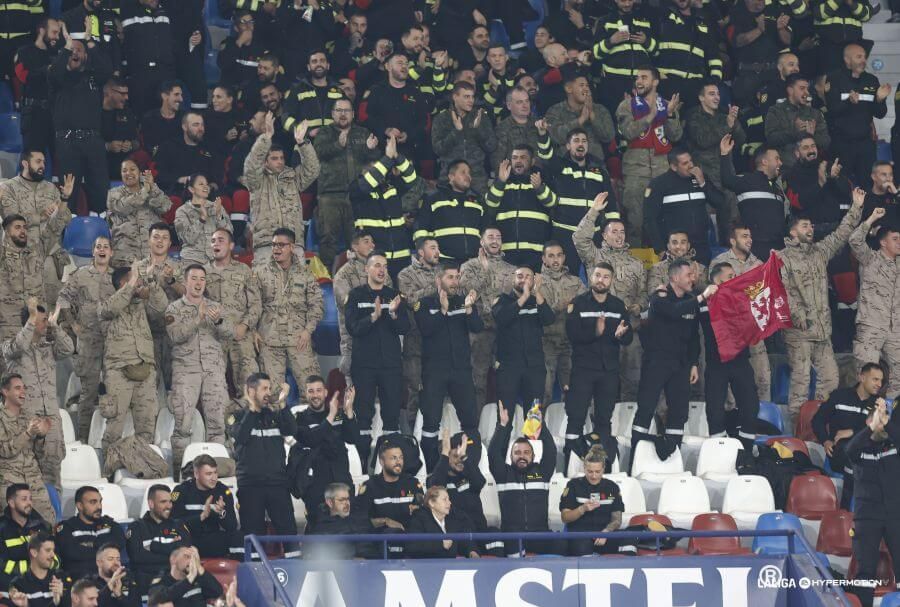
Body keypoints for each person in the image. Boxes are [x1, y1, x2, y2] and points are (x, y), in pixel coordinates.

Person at [777, 189, 863, 422]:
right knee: (801, 382)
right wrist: (799, 316)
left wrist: (856, 207)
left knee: (831, 379)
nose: (810, 229)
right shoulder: (782, 258)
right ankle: (797, 429)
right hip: (799, 333)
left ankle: (817, 424)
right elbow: (782, 292)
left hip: (822, 332)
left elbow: (841, 234)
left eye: (811, 226)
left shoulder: (819, 252)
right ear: (792, 231)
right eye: (805, 225)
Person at [632, 260, 716, 464]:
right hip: (656, 363)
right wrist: (702, 296)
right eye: (688, 275)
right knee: (646, 408)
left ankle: (672, 460)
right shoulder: (659, 297)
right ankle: (635, 459)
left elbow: (694, 336)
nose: (693, 279)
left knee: (679, 412)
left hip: (681, 365)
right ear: (675, 277)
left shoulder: (691, 300)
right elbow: (673, 311)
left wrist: (694, 363)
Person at [573, 195, 646, 400]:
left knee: (632, 380)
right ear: (604, 236)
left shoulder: (636, 264)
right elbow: (579, 238)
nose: (619, 236)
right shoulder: (594, 257)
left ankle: (628, 417)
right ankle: (599, 419)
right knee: (600, 383)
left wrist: (639, 306)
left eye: (622, 232)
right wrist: (593, 212)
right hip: (599, 331)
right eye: (614, 232)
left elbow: (643, 293)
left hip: (628, 329)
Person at [166, 264, 233, 476]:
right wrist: (198, 319)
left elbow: (229, 333)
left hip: (214, 371)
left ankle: (215, 475)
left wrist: (218, 321)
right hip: (186, 371)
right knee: (183, 426)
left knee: (218, 425)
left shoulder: (216, 307)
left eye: (202, 279)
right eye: (194, 278)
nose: (198, 283)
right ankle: (180, 476)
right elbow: (175, 336)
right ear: (185, 282)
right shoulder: (174, 308)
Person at [1, 299, 74, 493]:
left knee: (53, 474)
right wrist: (32, 319)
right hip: (26, 420)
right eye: (42, 320)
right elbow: (19, 345)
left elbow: (69, 348)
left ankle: (54, 511)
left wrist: (55, 326)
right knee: (25, 473)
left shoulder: (48, 347)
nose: (45, 323)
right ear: (30, 321)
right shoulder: (10, 347)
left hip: (50, 418)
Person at [414, 265, 482, 470]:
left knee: (470, 420)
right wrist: (443, 310)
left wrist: (469, 309)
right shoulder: (425, 303)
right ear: (439, 280)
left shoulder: (463, 301)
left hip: (461, 371)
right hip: (434, 371)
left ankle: (469, 466)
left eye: (457, 277)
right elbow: (425, 329)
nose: (455, 281)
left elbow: (478, 327)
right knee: (431, 422)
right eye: (450, 277)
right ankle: (432, 469)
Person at [345, 252, 409, 465]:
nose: (382, 270)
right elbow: (352, 328)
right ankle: (363, 464)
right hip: (364, 365)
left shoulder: (394, 295)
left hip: (391, 365)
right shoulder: (356, 295)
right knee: (363, 415)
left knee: (391, 415)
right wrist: (373, 317)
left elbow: (405, 327)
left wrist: (392, 314)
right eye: (377, 265)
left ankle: (390, 464)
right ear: (367, 269)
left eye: (385, 266)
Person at [226, 373, 299, 558]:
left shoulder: (274, 415)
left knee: (288, 530)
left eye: (269, 388)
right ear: (251, 391)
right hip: (250, 486)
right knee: (253, 534)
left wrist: (283, 404)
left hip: (277, 484)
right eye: (264, 388)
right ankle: (255, 570)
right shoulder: (236, 416)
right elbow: (241, 436)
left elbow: (292, 429)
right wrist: (252, 409)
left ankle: (295, 566)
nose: (268, 392)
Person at [565, 262, 632, 459]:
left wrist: (621, 335)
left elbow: (628, 337)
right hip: (583, 370)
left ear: (611, 281)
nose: (601, 280)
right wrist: (595, 332)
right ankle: (571, 460)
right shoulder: (578, 303)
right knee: (576, 417)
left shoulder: (618, 306)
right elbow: (572, 335)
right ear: (591, 277)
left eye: (606, 277)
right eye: (597, 275)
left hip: (609, 371)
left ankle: (603, 463)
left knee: (604, 419)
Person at [98, 264, 167, 450]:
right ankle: (109, 466)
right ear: (123, 283)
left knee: (146, 428)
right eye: (135, 279)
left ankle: (143, 464)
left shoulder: (142, 305)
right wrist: (132, 283)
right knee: (114, 427)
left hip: (145, 370)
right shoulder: (107, 304)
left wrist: (151, 281)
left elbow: (162, 307)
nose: (139, 283)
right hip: (118, 371)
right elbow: (110, 309)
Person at [55, 236, 115, 442]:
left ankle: (108, 442)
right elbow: (63, 298)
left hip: (112, 344)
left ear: (111, 252)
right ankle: (82, 441)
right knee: (88, 395)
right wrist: (73, 324)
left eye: (106, 247)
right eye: (98, 247)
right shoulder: (81, 275)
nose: (102, 250)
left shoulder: (117, 278)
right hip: (88, 343)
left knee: (113, 395)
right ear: (93, 251)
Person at [617, 67, 684, 247]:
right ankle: (634, 261)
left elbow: (676, 135)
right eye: (637, 78)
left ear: (655, 82)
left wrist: (669, 114)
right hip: (636, 172)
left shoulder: (667, 104)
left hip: (662, 171)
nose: (639, 81)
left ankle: (666, 259)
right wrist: (650, 116)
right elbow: (628, 132)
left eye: (644, 77)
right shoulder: (627, 105)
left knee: (665, 221)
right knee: (635, 223)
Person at [48, 28, 112, 214]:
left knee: (100, 188)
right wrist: (66, 48)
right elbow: (56, 72)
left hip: (93, 140)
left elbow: (106, 70)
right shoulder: (58, 78)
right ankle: (70, 225)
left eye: (79, 50)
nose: (75, 53)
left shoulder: (93, 77)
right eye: (71, 50)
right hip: (67, 142)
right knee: (69, 192)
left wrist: (90, 42)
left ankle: (101, 222)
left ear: (86, 56)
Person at [313, 99, 381, 270]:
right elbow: (318, 152)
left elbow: (376, 159)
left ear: (353, 114)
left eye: (347, 110)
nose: (343, 114)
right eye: (339, 110)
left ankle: (362, 274)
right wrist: (338, 145)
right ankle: (326, 277)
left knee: (359, 239)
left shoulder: (363, 133)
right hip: (330, 195)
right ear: (332, 114)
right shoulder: (324, 133)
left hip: (357, 196)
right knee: (328, 239)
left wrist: (371, 149)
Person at [244, 113, 319, 267]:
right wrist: (266, 138)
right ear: (265, 162)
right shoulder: (257, 180)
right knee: (266, 283)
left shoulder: (293, 177)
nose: (279, 161)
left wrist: (302, 143)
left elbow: (313, 169)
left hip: (293, 244)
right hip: (267, 244)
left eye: (281, 158)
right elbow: (251, 164)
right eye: (274, 158)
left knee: (297, 282)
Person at [844, 401, 900, 607]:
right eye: (876, 422)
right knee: (865, 571)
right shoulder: (859, 451)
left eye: (882, 422)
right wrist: (871, 427)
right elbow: (849, 450)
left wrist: (887, 422)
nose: (880, 426)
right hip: (867, 517)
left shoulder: (895, 448)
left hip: (895, 515)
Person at [699, 263, 761, 450]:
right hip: (716, 364)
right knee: (715, 410)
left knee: (750, 406)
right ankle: (720, 449)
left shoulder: (742, 299)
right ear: (717, 280)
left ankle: (745, 450)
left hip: (740, 361)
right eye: (730, 276)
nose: (735, 279)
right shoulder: (703, 301)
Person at [488, 403, 562, 556]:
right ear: (510, 456)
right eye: (517, 453)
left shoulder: (542, 472)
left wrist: (541, 425)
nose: (522, 456)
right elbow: (493, 453)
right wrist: (502, 426)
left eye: (526, 452)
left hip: (540, 534)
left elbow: (551, 450)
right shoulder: (503, 474)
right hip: (512, 536)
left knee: (562, 543)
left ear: (533, 456)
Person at [254, 228, 324, 390]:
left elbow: (317, 304)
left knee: (311, 390)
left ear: (292, 247)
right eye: (273, 245)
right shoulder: (260, 273)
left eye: (281, 245)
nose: (276, 249)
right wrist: (253, 331)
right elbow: (252, 304)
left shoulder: (305, 274)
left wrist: (308, 331)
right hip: (269, 339)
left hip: (298, 338)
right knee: (272, 393)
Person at [545, 128, 618, 278]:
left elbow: (610, 203)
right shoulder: (560, 167)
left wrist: (614, 229)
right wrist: (542, 134)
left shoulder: (599, 170)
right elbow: (546, 155)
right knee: (565, 278)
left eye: (584, 141)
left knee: (597, 277)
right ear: (568, 145)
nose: (581, 144)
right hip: (565, 234)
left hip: (593, 234)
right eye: (576, 141)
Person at [711, 225, 771, 401]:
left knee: (763, 376)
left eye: (750, 236)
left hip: (753, 329)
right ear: (732, 241)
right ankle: (733, 412)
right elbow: (717, 294)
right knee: (732, 380)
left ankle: (763, 412)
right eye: (744, 236)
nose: (749, 240)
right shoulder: (719, 263)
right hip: (731, 332)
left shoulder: (759, 264)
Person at [459, 228, 517, 409]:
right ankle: (475, 423)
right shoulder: (469, 266)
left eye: (498, 237)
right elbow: (466, 292)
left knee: (507, 381)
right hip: (480, 331)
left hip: (505, 332)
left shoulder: (512, 270)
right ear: (481, 241)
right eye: (490, 237)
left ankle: (504, 423)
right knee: (478, 379)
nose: (495, 241)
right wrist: (484, 270)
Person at [813, 362, 884, 510]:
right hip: (840, 452)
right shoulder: (839, 396)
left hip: (867, 454)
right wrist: (825, 441)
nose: (879, 384)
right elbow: (817, 420)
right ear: (862, 377)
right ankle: (845, 509)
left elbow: (879, 433)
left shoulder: (877, 404)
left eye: (881, 380)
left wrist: (852, 432)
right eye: (875, 379)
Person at [348, 135, 418, 284]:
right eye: (376, 169)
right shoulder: (357, 189)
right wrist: (387, 158)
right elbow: (369, 181)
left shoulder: (391, 187)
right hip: (376, 261)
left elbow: (412, 177)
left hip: (402, 259)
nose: (380, 173)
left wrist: (396, 156)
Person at [0, 209, 70, 345]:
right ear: (7, 232)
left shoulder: (37, 252)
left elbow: (53, 229)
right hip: (9, 326)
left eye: (24, 227)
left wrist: (64, 200)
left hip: (36, 326)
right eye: (17, 227)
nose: (23, 231)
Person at [849, 210, 900, 396]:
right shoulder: (869, 258)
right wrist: (871, 219)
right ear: (883, 242)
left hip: (895, 329)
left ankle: (889, 412)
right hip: (872, 325)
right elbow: (854, 240)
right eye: (895, 239)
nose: (899, 242)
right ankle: (863, 413)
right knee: (867, 376)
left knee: (898, 377)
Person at [643, 148, 723, 266]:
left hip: (701, 247)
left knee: (702, 277)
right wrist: (660, 250)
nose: (691, 165)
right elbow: (650, 219)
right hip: (675, 248)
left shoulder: (701, 178)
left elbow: (720, 202)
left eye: (691, 161)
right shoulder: (659, 184)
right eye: (685, 163)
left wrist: (703, 183)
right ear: (674, 167)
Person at [294, 379, 358, 524]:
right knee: (318, 528)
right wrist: (330, 417)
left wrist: (348, 410)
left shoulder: (338, 414)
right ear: (305, 394)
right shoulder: (300, 418)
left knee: (347, 527)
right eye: (311, 391)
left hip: (341, 480)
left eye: (318, 390)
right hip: (315, 486)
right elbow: (311, 439)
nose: (315, 395)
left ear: (325, 392)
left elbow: (353, 438)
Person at [826, 44, 890, 189]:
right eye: (859, 57)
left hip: (865, 145)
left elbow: (880, 114)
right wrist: (848, 102)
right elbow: (831, 110)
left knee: (869, 185)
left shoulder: (872, 80)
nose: (863, 60)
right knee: (840, 185)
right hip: (842, 144)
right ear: (847, 60)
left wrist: (879, 100)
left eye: (864, 57)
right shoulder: (834, 78)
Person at [493, 266, 555, 416]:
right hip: (509, 366)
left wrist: (537, 293)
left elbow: (549, 319)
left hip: (534, 367)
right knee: (505, 418)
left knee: (534, 418)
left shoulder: (537, 301)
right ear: (513, 279)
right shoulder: (502, 300)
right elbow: (502, 317)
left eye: (528, 277)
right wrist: (524, 297)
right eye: (520, 276)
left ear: (534, 280)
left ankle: (534, 433)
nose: (524, 280)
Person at [204, 230, 260, 394]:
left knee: (250, 387)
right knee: (213, 389)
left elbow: (256, 304)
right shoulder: (203, 272)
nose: (216, 243)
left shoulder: (244, 270)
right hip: (215, 337)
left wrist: (245, 325)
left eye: (221, 240)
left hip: (240, 334)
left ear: (231, 246)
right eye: (213, 240)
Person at [486, 146, 558, 271]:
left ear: (532, 161)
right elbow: (490, 203)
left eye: (523, 157)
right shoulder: (503, 183)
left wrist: (539, 187)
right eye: (514, 158)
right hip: (507, 253)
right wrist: (501, 181)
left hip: (535, 253)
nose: (518, 161)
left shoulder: (541, 180)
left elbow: (552, 203)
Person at [333, 231, 393, 379]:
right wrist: (373, 311)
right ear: (355, 246)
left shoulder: (382, 272)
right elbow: (348, 306)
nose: (372, 245)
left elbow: (389, 299)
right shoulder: (344, 274)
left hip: (381, 339)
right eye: (366, 241)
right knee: (356, 386)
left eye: (372, 242)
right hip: (354, 341)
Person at [397, 238, 441, 428]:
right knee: (413, 387)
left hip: (439, 341)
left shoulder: (442, 272)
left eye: (438, 248)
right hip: (415, 339)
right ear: (421, 252)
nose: (437, 252)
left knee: (435, 390)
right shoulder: (406, 274)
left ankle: (433, 434)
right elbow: (411, 299)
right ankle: (409, 435)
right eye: (433, 248)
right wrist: (436, 287)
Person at [719, 135, 786, 261]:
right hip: (757, 250)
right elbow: (727, 180)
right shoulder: (748, 180)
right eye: (777, 159)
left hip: (779, 249)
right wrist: (725, 154)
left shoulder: (777, 187)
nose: (780, 163)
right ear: (764, 162)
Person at [560, 445, 634, 556]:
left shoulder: (612, 487)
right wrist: (582, 509)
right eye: (590, 472)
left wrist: (606, 532)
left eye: (597, 472)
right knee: (580, 545)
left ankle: (625, 565)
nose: (594, 476)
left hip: (605, 534)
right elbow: (565, 517)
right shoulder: (573, 485)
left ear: (603, 469)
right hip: (581, 535)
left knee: (630, 539)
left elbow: (617, 519)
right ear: (584, 468)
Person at [538, 242, 586, 407]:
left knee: (572, 390)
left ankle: (571, 423)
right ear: (544, 259)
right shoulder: (536, 282)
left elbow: (585, 306)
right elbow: (539, 312)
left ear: (564, 258)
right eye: (551, 256)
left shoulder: (576, 281)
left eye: (559, 255)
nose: (555, 260)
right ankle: (538, 424)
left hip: (570, 342)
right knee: (544, 390)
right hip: (545, 342)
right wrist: (562, 306)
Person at [125, 485, 192, 598]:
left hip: (176, 582)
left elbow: (186, 553)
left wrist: (153, 548)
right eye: (163, 502)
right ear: (151, 504)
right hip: (147, 585)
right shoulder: (136, 527)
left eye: (170, 502)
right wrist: (174, 551)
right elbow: (138, 558)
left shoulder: (179, 525)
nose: (169, 506)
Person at [413, 161, 485, 264]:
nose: (468, 176)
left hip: (473, 262)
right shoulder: (433, 199)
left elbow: (486, 230)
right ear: (451, 177)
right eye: (463, 172)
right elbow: (421, 229)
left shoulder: (478, 201)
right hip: (443, 262)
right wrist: (424, 256)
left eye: (469, 173)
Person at [171, 455, 241, 560]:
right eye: (209, 474)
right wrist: (202, 516)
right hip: (189, 539)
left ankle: (240, 568)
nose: (214, 478)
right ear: (196, 474)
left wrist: (221, 513)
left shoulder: (223, 491)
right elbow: (173, 523)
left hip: (213, 539)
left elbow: (232, 527)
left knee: (239, 537)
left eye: (215, 472)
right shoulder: (182, 490)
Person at [431, 82, 495, 194]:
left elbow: (491, 146)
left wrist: (478, 130)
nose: (471, 100)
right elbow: (438, 149)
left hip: (476, 177)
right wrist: (456, 132)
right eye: (466, 97)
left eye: (472, 97)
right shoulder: (441, 119)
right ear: (455, 97)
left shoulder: (481, 118)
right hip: (449, 177)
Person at [364, 53, 432, 158]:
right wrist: (386, 130)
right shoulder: (377, 91)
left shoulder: (416, 93)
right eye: (400, 63)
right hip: (380, 150)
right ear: (388, 66)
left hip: (410, 151)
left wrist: (408, 135)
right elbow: (369, 118)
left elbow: (423, 122)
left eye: (406, 64)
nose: (404, 66)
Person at [783, 135, 853, 238]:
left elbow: (847, 191)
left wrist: (835, 178)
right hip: (809, 232)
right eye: (806, 148)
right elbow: (798, 203)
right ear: (797, 153)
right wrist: (819, 184)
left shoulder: (829, 166)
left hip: (835, 228)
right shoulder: (791, 175)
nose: (811, 150)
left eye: (813, 146)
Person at [655, 0, 722, 105]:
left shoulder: (703, 20)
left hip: (694, 88)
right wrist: (657, 75)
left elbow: (714, 56)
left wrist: (714, 81)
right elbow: (649, 50)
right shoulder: (661, 15)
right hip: (666, 85)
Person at [356, 442, 425, 543]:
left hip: (410, 541)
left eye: (401, 457)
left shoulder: (413, 483)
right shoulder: (370, 486)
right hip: (380, 543)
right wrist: (385, 521)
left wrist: (417, 509)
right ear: (382, 462)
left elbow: (423, 514)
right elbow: (360, 521)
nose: (398, 462)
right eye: (393, 458)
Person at [107, 162, 172, 268]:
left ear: (140, 173)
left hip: (151, 257)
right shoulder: (114, 193)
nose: (128, 173)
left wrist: (152, 187)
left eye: (132, 169)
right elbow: (123, 208)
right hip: (124, 258)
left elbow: (165, 207)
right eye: (124, 171)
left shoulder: (151, 191)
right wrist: (144, 191)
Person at [54, 486, 126, 581]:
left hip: (111, 579)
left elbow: (119, 544)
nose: (99, 506)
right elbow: (71, 553)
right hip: (80, 582)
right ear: (80, 506)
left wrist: (89, 546)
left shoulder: (110, 524)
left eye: (100, 502)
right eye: (93, 502)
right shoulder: (67, 527)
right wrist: (105, 551)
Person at [14, 18, 62, 154]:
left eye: (59, 33)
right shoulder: (24, 52)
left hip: (54, 114)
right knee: (34, 156)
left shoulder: (58, 55)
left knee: (58, 157)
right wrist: (47, 69)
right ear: (42, 31)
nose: (57, 37)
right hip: (33, 114)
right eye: (54, 32)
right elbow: (23, 76)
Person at [765, 74, 830, 173]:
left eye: (807, 89)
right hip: (786, 168)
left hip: (812, 168)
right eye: (802, 88)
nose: (807, 92)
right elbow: (771, 139)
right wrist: (794, 132)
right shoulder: (776, 111)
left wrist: (811, 136)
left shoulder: (815, 113)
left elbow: (826, 142)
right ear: (790, 90)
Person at [545, 74, 614, 161]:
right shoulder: (555, 110)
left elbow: (608, 136)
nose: (586, 89)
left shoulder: (600, 109)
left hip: (595, 162)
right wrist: (581, 120)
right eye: (582, 85)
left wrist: (592, 115)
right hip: (566, 163)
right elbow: (556, 137)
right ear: (568, 88)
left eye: (587, 86)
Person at [0, 484, 53, 594]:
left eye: (30, 499)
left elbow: (57, 559)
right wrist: (34, 567)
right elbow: (2, 565)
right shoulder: (2, 528)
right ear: (11, 503)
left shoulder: (43, 526)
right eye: (24, 499)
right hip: (12, 587)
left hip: (43, 585)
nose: (29, 503)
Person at [282, 50, 346, 140]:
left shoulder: (339, 92)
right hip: (306, 143)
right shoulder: (298, 90)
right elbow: (285, 119)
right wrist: (307, 132)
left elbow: (348, 116)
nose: (318, 64)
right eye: (314, 61)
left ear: (328, 65)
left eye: (322, 61)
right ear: (309, 67)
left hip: (334, 143)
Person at [154, 113, 222, 195]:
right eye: (196, 125)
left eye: (202, 125)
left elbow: (217, 179)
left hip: (204, 195)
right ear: (185, 127)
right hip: (175, 192)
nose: (201, 129)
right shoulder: (168, 147)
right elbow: (160, 176)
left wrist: (210, 187)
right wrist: (179, 180)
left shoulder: (210, 148)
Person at [405, 486, 479, 559]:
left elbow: (462, 540)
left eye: (449, 499)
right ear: (431, 503)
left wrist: (471, 551)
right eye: (444, 499)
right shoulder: (418, 520)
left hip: (449, 565)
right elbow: (412, 546)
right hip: (427, 565)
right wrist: (440, 544)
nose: (449, 503)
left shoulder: (452, 519)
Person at [304, 483, 375, 559]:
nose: (347, 503)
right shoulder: (320, 527)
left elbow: (368, 549)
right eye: (341, 500)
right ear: (330, 503)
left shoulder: (358, 520)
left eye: (348, 499)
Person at [173, 176, 232, 266]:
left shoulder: (216, 207)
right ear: (191, 189)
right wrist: (202, 219)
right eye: (201, 184)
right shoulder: (182, 211)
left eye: (207, 184)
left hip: (215, 260)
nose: (206, 187)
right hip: (192, 261)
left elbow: (229, 234)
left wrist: (219, 216)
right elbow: (188, 239)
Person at [493, 87, 553, 173]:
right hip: (514, 177)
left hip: (539, 175)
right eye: (519, 102)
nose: (525, 106)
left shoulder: (539, 124)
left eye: (527, 101)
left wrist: (543, 134)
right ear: (509, 105)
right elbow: (498, 163)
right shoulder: (502, 129)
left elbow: (548, 157)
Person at [8, 533, 71, 607]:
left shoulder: (62, 578)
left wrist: (62, 597)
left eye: (53, 550)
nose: (53, 555)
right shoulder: (18, 584)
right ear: (34, 552)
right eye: (48, 550)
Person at [148, 547, 222, 607]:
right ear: (173, 559)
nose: (191, 561)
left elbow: (217, 592)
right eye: (187, 556)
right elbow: (158, 599)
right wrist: (189, 578)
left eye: (194, 558)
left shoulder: (198, 579)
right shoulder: (161, 581)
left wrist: (199, 567)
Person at [100, 79, 139, 179]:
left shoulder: (127, 112)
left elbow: (137, 142)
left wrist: (130, 145)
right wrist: (107, 146)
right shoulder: (93, 113)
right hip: (99, 168)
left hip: (124, 170)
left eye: (127, 94)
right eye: (122, 94)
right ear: (108, 93)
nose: (126, 97)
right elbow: (86, 144)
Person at [140, 81, 184, 157]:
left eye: (181, 95)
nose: (181, 99)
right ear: (164, 96)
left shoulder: (185, 117)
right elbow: (148, 147)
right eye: (176, 94)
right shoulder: (149, 118)